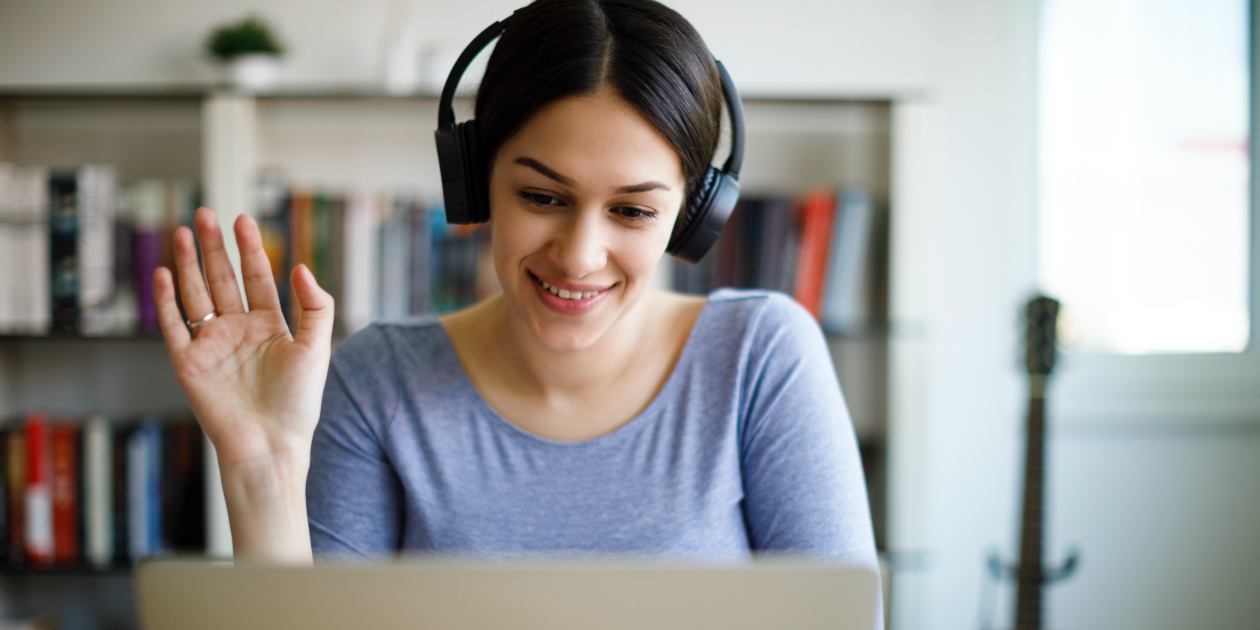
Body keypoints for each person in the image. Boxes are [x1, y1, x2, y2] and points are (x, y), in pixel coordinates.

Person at [155, 0, 876, 571]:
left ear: (692, 216)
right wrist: (265, 466)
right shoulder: (378, 381)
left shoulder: (762, 359)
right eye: (542, 197)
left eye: (632, 210)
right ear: (475, 184)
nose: (580, 256)